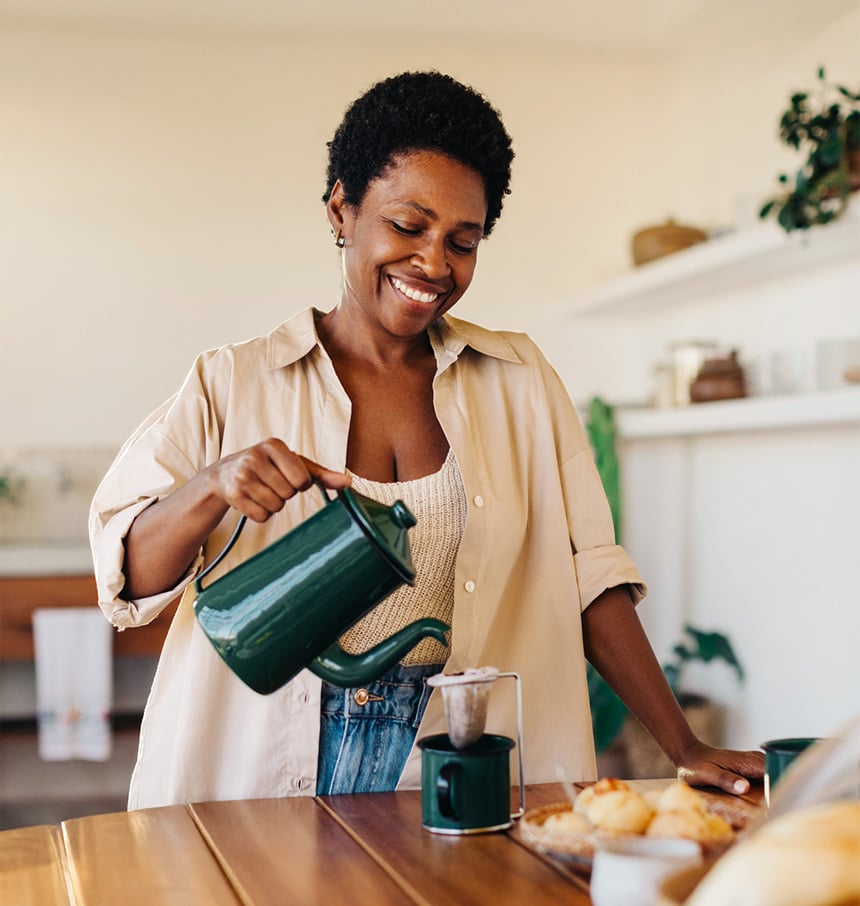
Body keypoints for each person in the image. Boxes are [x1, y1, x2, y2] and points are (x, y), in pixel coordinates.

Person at [89, 70, 764, 810]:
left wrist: (684, 746)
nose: (435, 264)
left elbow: (590, 578)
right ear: (342, 210)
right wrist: (212, 486)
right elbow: (129, 579)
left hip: (459, 748)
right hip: (262, 757)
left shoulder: (519, 380)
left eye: (463, 242)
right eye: (409, 227)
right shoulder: (234, 381)